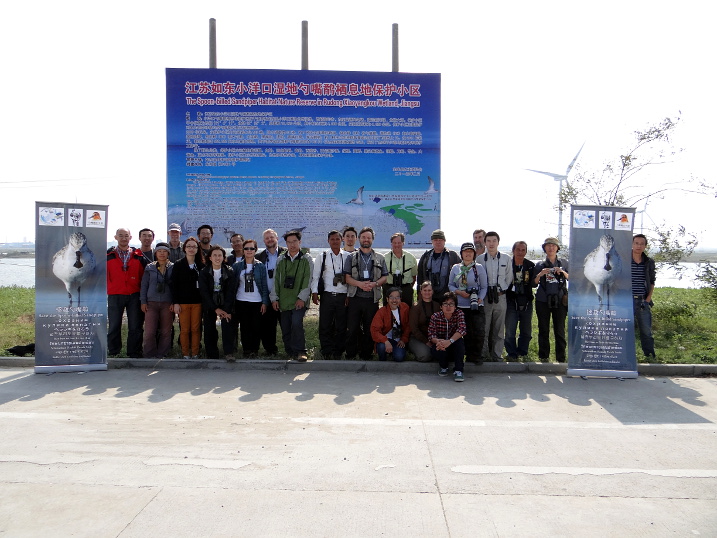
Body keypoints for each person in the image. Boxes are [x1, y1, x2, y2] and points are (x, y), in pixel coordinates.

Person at [344, 227, 388, 360]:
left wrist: (374, 284)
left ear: (372, 240)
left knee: (370, 328)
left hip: (372, 299)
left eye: (369, 237)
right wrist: (360, 284)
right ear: (359, 239)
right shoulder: (351, 257)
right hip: (355, 298)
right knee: (352, 328)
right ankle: (350, 354)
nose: (366, 240)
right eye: (363, 237)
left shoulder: (380, 257)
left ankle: (366, 354)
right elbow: (347, 277)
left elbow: (385, 277)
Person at [271, 230, 313, 361]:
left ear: (299, 242)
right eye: (289, 242)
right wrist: (274, 298)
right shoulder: (281, 259)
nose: (292, 244)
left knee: (296, 323)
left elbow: (308, 279)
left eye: (294, 241)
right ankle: (290, 352)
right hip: (283, 299)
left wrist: (302, 298)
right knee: (286, 326)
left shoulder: (306, 259)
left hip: (299, 299)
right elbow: (276, 280)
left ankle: (301, 351)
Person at [107, 228, 148, 357]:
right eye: (121, 236)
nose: (123, 238)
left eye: (126, 236)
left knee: (135, 326)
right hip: (115, 294)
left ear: (130, 237)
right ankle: (114, 352)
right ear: (115, 237)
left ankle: (134, 352)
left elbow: (145, 276)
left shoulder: (138, 256)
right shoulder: (108, 256)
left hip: (134, 294)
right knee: (114, 325)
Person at [311, 230, 348, 359]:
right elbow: (316, 276)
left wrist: (349, 295)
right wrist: (314, 292)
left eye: (337, 239)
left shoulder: (348, 256)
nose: (335, 241)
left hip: (343, 295)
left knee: (341, 325)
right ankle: (326, 350)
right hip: (327, 295)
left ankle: (338, 351)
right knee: (325, 324)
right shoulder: (323, 256)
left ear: (341, 240)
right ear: (328, 241)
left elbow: (350, 277)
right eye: (332, 239)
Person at [448, 242, 487, 364]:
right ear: (461, 254)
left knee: (477, 331)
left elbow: (484, 287)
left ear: (474, 254)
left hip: (475, 305)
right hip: (460, 305)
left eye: (470, 251)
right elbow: (450, 285)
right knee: (459, 332)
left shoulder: (478, 268)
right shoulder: (456, 268)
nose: (468, 254)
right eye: (465, 252)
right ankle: (458, 356)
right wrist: (458, 292)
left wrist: (480, 298)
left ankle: (474, 356)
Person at [477, 231, 513, 361]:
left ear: (498, 242)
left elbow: (509, 278)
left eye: (494, 241)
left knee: (499, 329)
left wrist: (501, 289)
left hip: (500, 296)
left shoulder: (506, 258)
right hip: (486, 297)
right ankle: (483, 354)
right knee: (485, 327)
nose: (491, 244)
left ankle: (497, 355)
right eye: (489, 241)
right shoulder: (480, 259)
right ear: (485, 243)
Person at [534, 237, 570, 362]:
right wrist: (540, 274)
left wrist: (563, 272)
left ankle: (561, 358)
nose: (551, 248)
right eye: (548, 246)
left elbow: (572, 279)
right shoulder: (539, 264)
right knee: (543, 329)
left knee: (559, 330)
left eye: (553, 246)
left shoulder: (564, 263)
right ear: (544, 248)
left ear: (557, 248)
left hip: (560, 300)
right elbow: (533, 283)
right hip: (543, 300)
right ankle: (544, 356)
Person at [233, 239, 270, 358]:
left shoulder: (260, 266)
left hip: (257, 301)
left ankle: (254, 350)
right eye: (246, 248)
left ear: (255, 250)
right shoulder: (237, 266)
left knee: (256, 327)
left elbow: (264, 285)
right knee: (244, 327)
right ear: (243, 250)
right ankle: (246, 350)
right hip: (241, 300)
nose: (249, 251)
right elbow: (233, 285)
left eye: (251, 248)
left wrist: (265, 302)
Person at [199, 245, 235, 361]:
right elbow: (204, 293)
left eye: (220, 255)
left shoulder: (229, 271)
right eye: (214, 255)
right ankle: (212, 354)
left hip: (225, 303)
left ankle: (229, 353)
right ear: (210, 257)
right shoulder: (204, 272)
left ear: (224, 257)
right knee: (209, 329)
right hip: (210, 304)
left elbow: (231, 291)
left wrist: (226, 310)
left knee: (228, 326)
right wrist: (215, 309)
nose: (217, 258)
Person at [171, 236, 204, 359]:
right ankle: (185, 353)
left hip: (198, 302)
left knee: (196, 329)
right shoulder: (179, 264)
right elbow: (174, 285)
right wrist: (175, 303)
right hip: (183, 303)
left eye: (194, 247)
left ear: (197, 249)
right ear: (184, 248)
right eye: (189, 246)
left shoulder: (201, 265)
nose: (191, 249)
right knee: (185, 329)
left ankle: (195, 353)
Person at [140, 242, 174, 358]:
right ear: (155, 253)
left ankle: (162, 354)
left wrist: (174, 302)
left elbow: (176, 286)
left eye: (164, 251)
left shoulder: (173, 267)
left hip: (167, 303)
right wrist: (143, 301)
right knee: (149, 331)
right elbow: (144, 285)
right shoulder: (150, 267)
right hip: (151, 303)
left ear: (168, 253)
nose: (162, 254)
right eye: (159, 251)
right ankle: (149, 354)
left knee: (166, 331)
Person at [505, 241, 536, 360]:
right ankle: (511, 353)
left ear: (526, 252)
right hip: (511, 300)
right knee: (510, 330)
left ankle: (523, 352)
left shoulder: (530, 265)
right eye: (518, 249)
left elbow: (533, 284)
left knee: (526, 330)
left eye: (523, 250)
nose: (520, 252)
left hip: (526, 300)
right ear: (513, 250)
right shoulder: (508, 264)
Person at [257, 228, 286, 356]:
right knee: (267, 327)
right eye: (267, 238)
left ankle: (290, 350)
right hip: (267, 296)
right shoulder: (259, 256)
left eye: (272, 237)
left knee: (286, 325)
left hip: (284, 296)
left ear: (277, 238)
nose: (270, 240)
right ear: (264, 241)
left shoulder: (286, 253)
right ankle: (270, 351)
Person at [427, 291, 467, 382]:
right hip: (440, 344)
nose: (448, 307)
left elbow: (462, 329)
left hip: (453, 343)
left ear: (455, 306)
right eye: (445, 304)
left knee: (460, 343)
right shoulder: (435, 316)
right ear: (441, 306)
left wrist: (450, 341)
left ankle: (458, 371)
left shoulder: (459, 313)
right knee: (437, 347)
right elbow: (431, 334)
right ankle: (443, 367)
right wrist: (438, 342)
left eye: (451, 304)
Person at [417, 229, 460, 302]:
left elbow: (461, 273)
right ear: (432, 241)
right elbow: (420, 276)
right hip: (429, 296)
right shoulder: (425, 257)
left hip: (447, 295)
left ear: (444, 241)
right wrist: (419, 293)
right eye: (435, 239)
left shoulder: (452, 256)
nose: (438, 242)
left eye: (440, 239)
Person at [632, 234, 656, 358]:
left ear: (645, 246)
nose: (639, 246)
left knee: (646, 330)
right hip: (626, 301)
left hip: (642, 300)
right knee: (626, 330)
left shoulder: (648, 262)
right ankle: (626, 356)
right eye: (636, 243)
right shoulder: (625, 260)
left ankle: (649, 355)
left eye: (642, 244)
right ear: (632, 244)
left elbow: (652, 281)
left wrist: (647, 299)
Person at [370, 287, 410, 361]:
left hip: (398, 340)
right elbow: (374, 330)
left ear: (400, 299)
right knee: (382, 347)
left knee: (399, 357)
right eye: (391, 297)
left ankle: (394, 353)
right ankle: (383, 360)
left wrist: (403, 339)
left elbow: (408, 326)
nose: (394, 300)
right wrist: (385, 341)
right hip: (385, 340)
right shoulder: (381, 312)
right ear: (387, 299)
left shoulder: (405, 308)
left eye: (397, 297)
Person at [408, 281, 441, 362]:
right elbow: (414, 328)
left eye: (429, 290)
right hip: (418, 338)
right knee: (425, 356)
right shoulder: (416, 307)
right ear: (421, 292)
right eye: (425, 290)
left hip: (434, 338)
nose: (427, 292)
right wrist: (426, 341)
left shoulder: (437, 306)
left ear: (433, 291)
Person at [382, 232, 417, 305]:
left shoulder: (411, 257)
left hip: (405, 290)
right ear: (391, 244)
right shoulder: (384, 258)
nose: (396, 245)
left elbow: (414, 276)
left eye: (399, 242)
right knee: (388, 313)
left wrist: (407, 287)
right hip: (389, 288)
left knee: (407, 313)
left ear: (403, 243)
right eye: (394, 243)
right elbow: (381, 276)